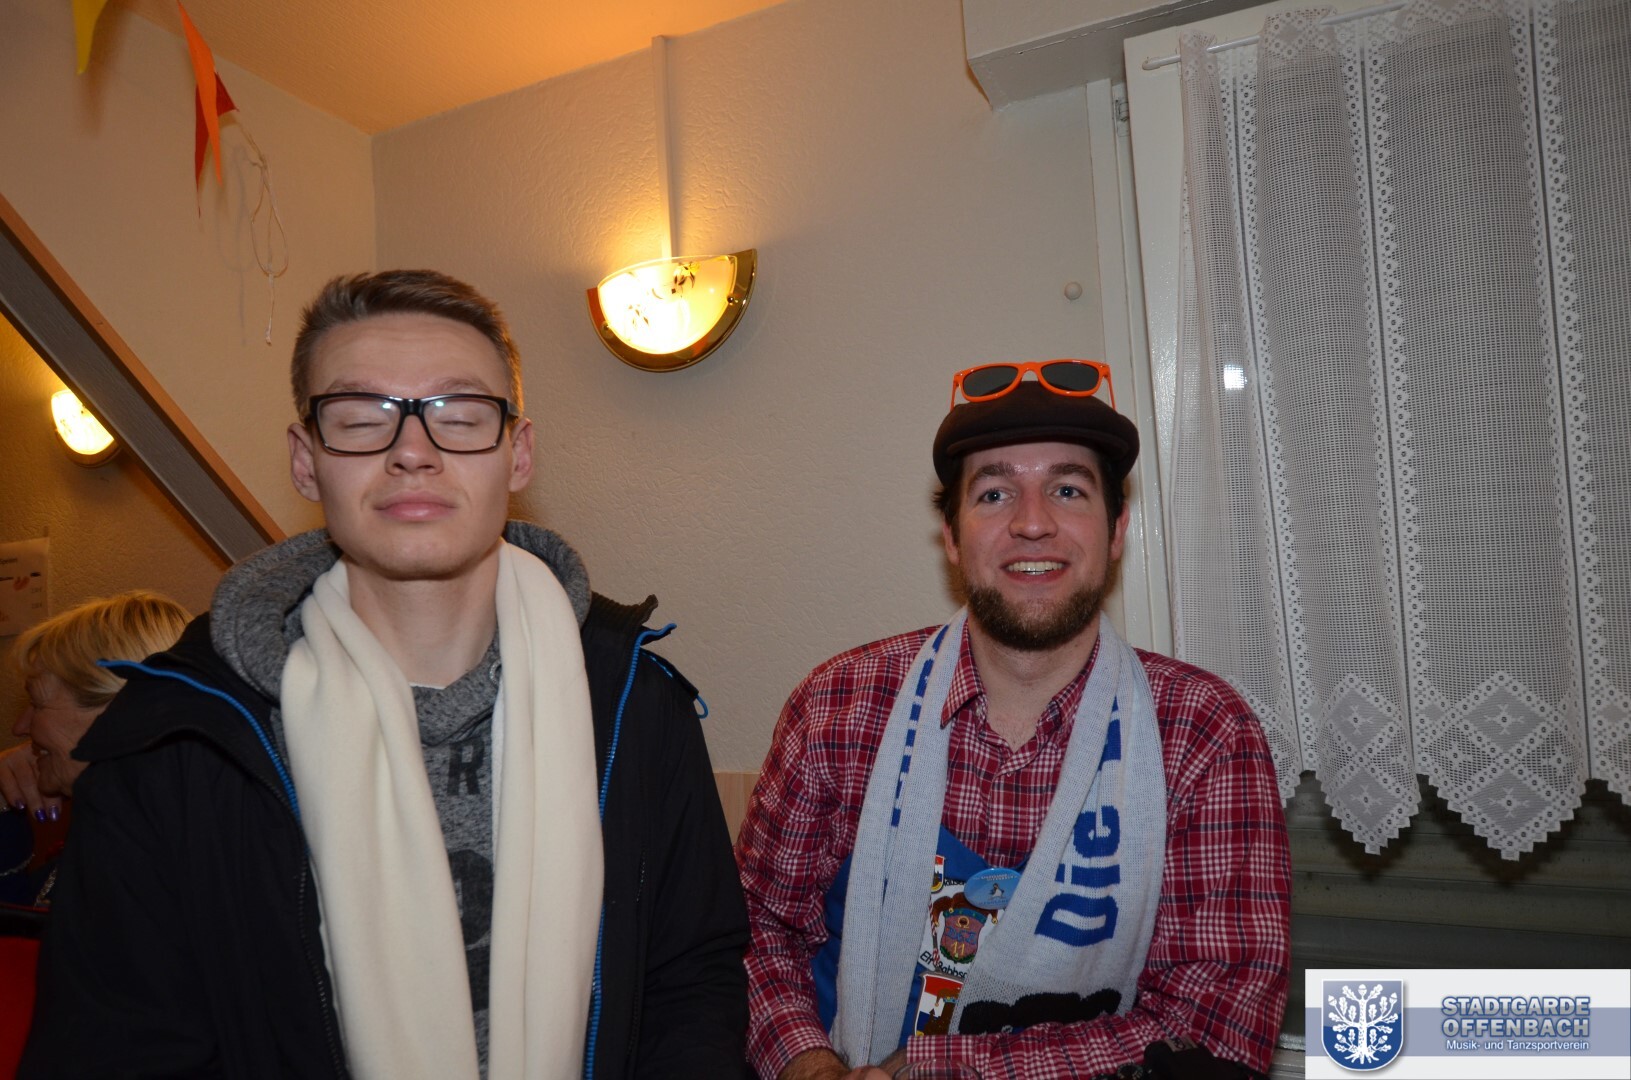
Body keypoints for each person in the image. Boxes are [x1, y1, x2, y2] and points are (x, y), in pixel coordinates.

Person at [22, 270, 749, 1079]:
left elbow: (692, 979)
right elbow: (115, 1048)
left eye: (460, 417)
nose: (412, 451)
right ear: (306, 461)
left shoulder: (634, 705)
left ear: (517, 455)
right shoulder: (173, 747)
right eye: (360, 420)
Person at [735, 363, 1291, 1080]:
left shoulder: (1203, 733)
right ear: (951, 535)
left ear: (1117, 530)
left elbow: (1213, 1028)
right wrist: (810, 1067)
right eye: (994, 493)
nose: (1032, 522)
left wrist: (929, 1071)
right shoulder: (837, 707)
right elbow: (755, 931)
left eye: (1068, 490)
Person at [0, 591, 190, 907]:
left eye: (37, 703)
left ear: (116, 713)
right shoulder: (113, 842)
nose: (20, 727)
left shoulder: (165, 877)